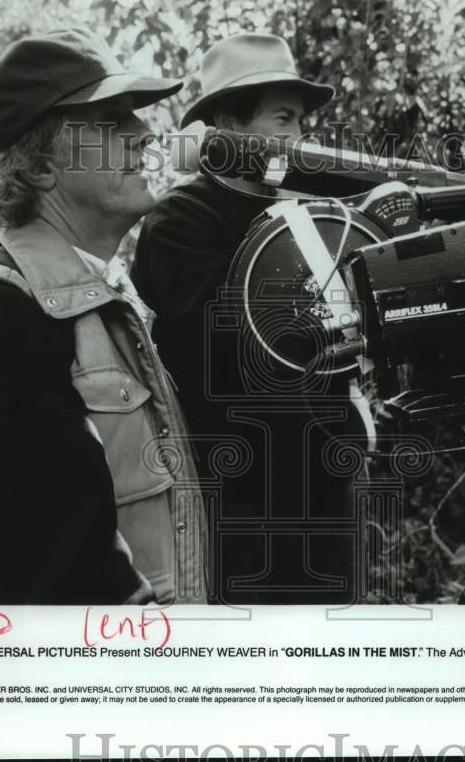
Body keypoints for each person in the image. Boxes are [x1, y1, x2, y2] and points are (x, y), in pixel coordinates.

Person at [0, 28, 207, 605]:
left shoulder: (91, 298)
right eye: (111, 122)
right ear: (41, 166)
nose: (145, 136)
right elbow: (62, 583)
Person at [132, 34, 363, 605]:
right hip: (237, 504)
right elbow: (239, 339)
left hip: (325, 496)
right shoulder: (179, 223)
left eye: (302, 123)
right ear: (225, 127)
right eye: (283, 119)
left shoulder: (308, 215)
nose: (299, 140)